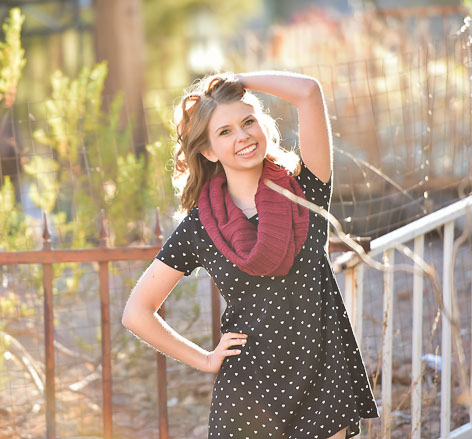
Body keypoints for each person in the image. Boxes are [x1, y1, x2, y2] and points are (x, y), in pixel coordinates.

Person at [121, 71, 379, 439]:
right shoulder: (202, 226)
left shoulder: (305, 189)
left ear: (262, 125)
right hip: (247, 394)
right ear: (208, 151)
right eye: (225, 131)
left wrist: (238, 80)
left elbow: (308, 92)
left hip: (322, 380)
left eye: (248, 122)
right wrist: (205, 359)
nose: (242, 136)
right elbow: (137, 312)